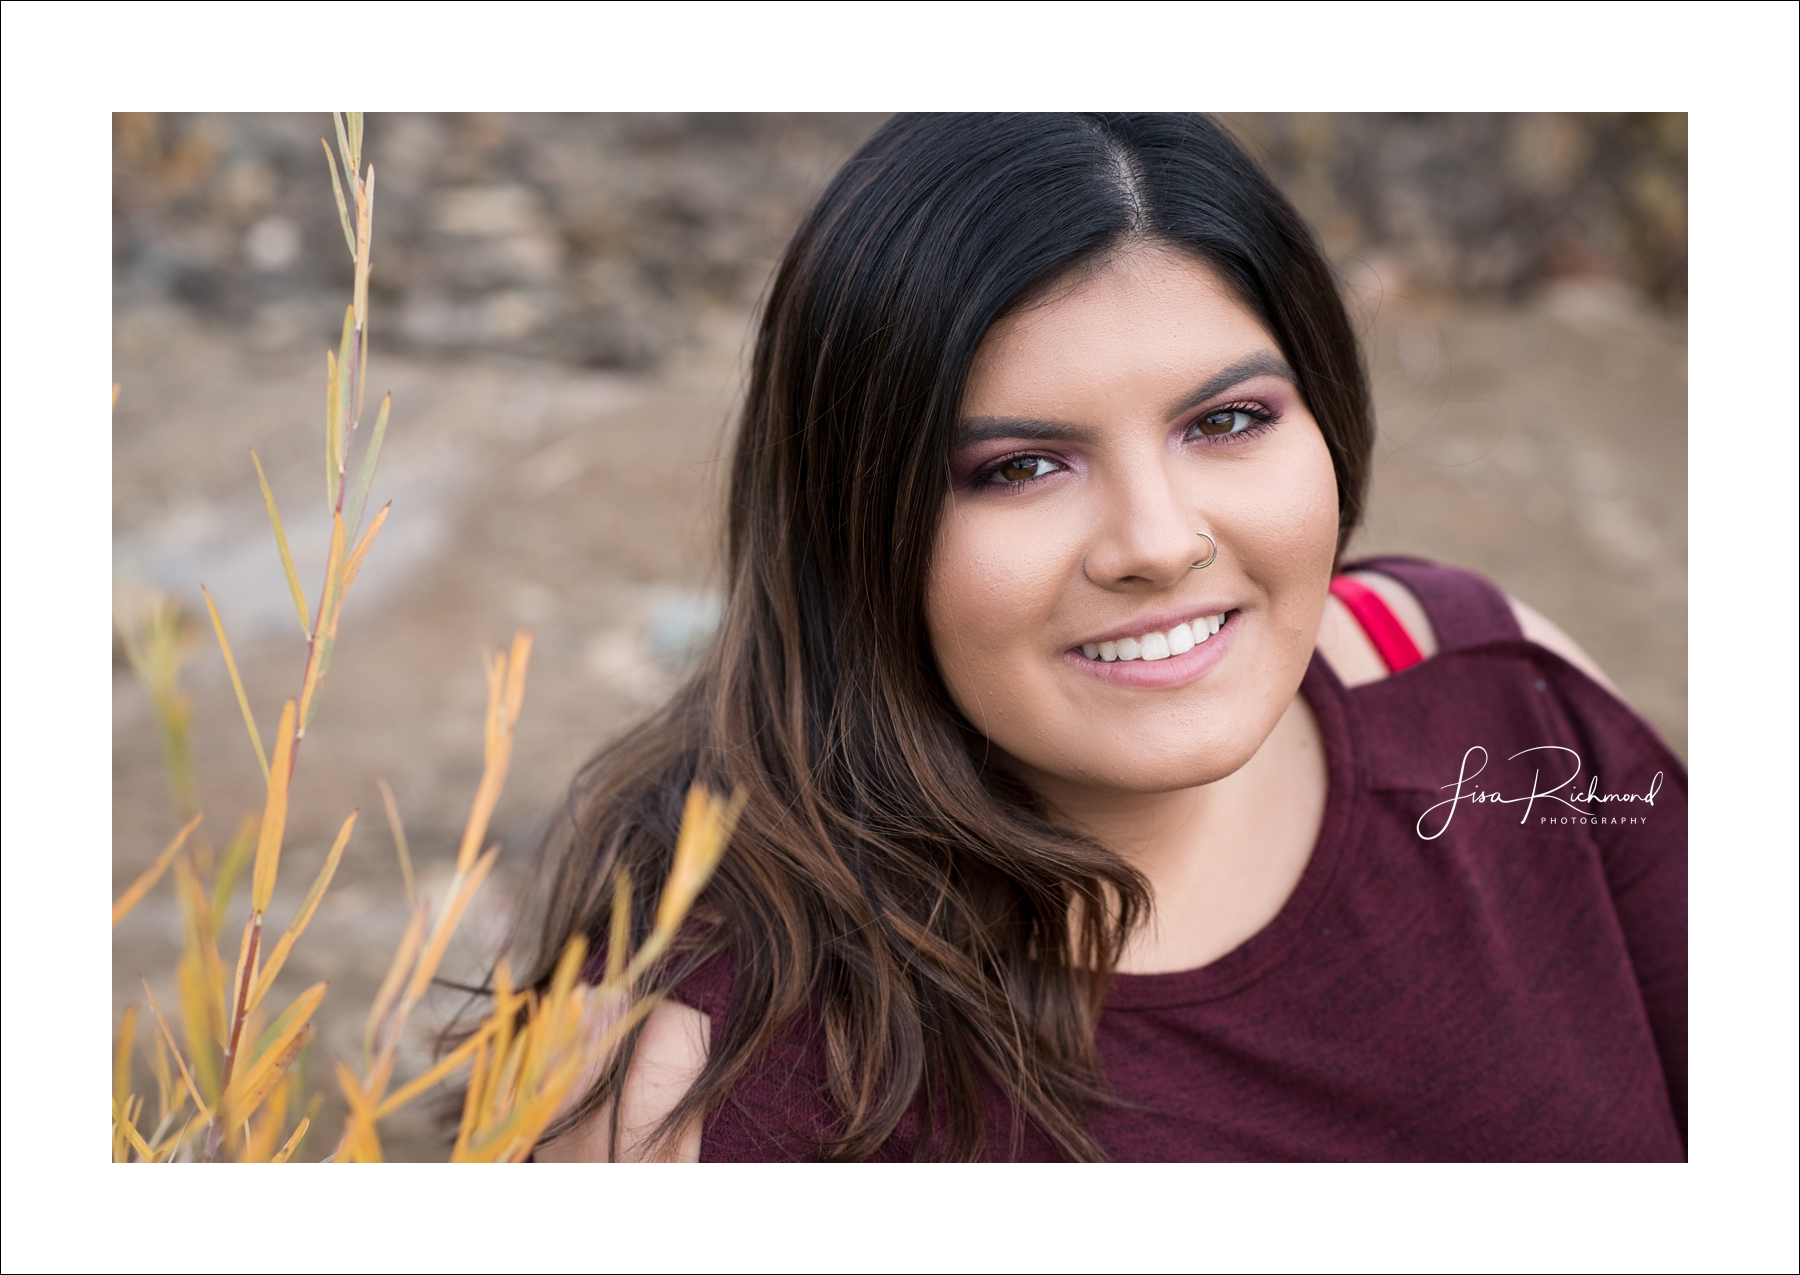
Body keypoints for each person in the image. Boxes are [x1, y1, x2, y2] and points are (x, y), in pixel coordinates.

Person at [527, 114, 1686, 1162]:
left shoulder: (1480, 682)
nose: (1158, 542)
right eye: (1020, 468)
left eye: (1227, 420)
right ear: (850, 521)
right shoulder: (692, 1078)